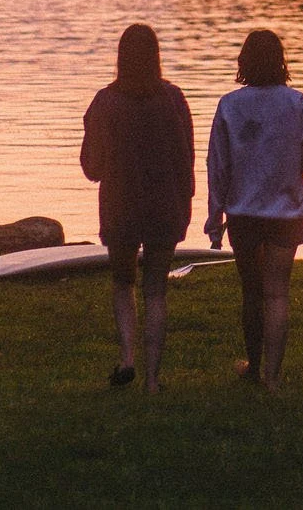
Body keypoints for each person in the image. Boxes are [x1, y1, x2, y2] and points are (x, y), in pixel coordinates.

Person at [205, 28, 303, 390]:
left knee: (251, 292)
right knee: (277, 293)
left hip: (242, 214)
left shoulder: (229, 105)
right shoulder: (295, 103)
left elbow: (218, 167)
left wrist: (214, 219)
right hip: (285, 214)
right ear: (281, 62)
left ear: (243, 62)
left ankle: (254, 366)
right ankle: (272, 378)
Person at [79, 23, 193, 393]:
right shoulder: (174, 100)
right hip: (165, 205)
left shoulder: (104, 102)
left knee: (122, 282)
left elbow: (91, 168)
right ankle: (153, 380)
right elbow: (186, 159)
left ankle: (128, 358)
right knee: (156, 290)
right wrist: (186, 202)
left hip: (121, 205)